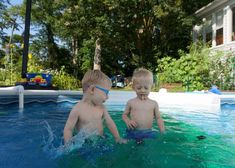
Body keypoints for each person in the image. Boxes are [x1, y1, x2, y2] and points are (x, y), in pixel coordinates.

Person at [63, 69, 126, 145]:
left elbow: (110, 123)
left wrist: (117, 138)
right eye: (106, 93)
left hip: (101, 139)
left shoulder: (102, 108)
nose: (107, 97)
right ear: (92, 89)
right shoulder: (77, 109)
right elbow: (68, 129)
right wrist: (68, 145)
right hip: (85, 144)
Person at [122, 68, 165, 143]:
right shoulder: (131, 102)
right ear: (133, 87)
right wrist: (127, 121)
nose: (142, 90)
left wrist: (162, 131)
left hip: (148, 132)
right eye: (139, 88)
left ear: (151, 87)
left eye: (146, 88)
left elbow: (158, 118)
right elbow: (124, 115)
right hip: (133, 132)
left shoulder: (153, 103)